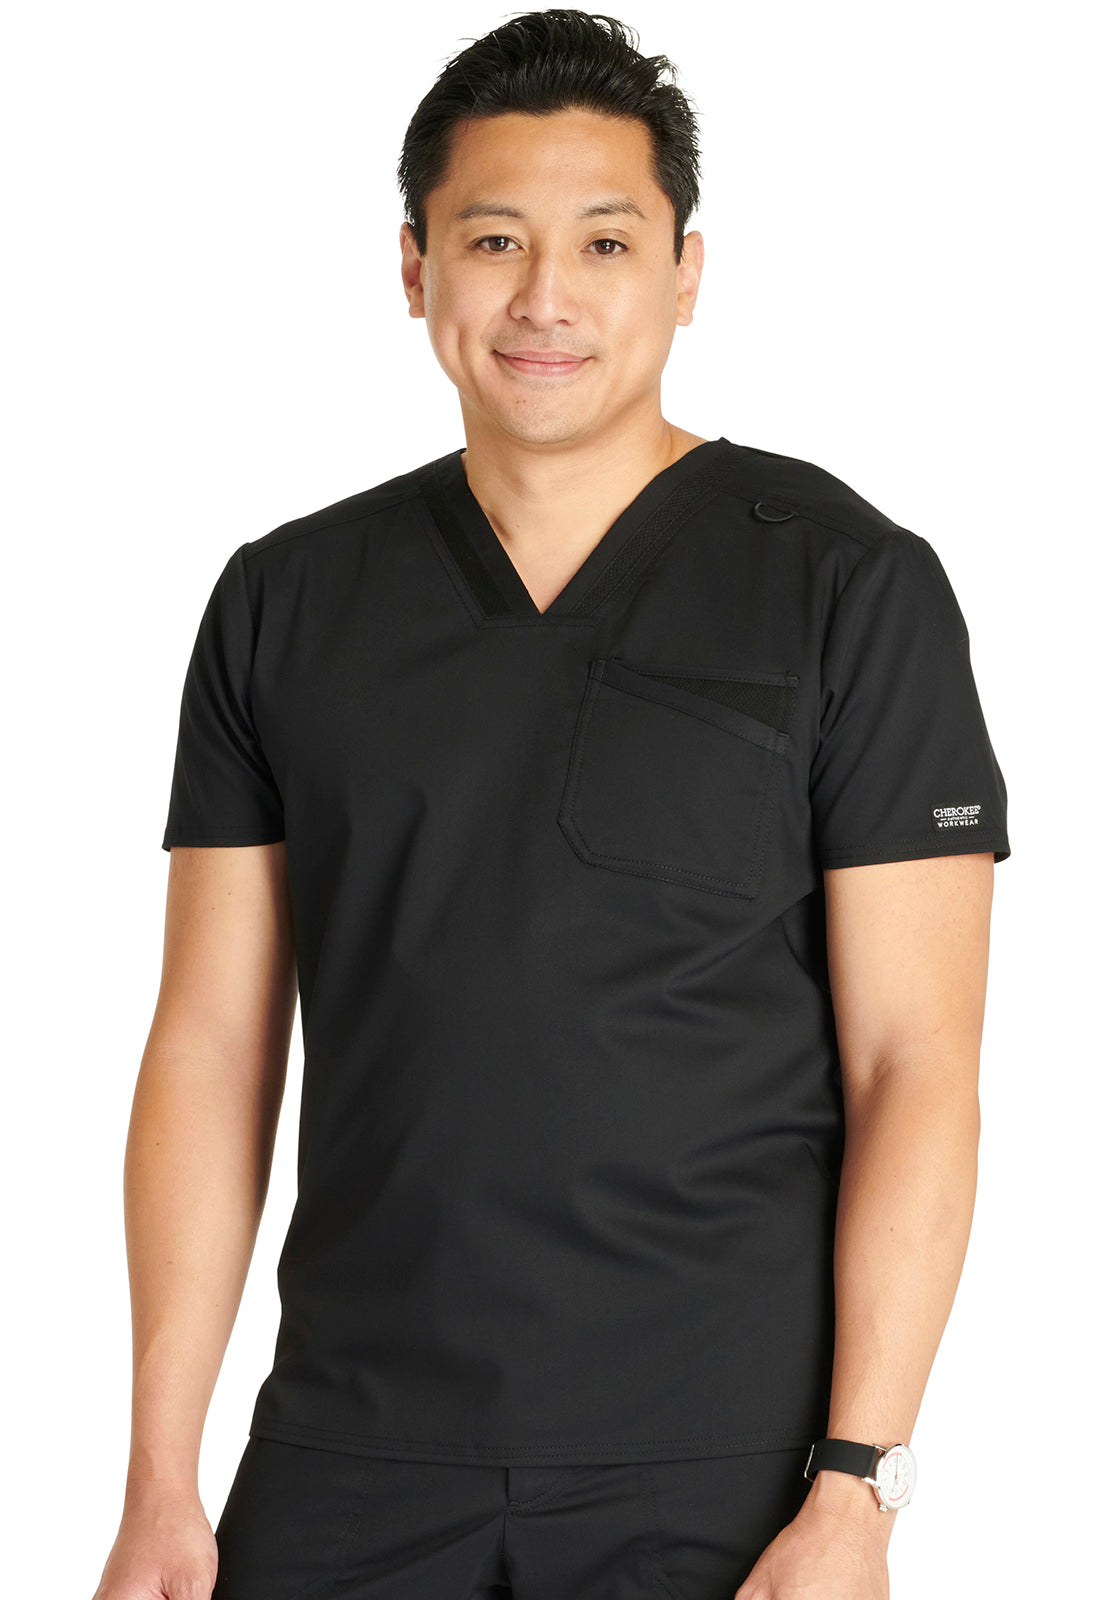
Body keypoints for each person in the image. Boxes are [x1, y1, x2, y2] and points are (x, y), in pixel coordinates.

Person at [92, 10, 1010, 1600]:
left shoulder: (850, 587)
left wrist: (856, 1490)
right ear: (415, 268)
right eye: (493, 239)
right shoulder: (283, 602)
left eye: (605, 242)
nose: (546, 298)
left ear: (686, 274)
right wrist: (160, 1480)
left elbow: (915, 1065)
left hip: (721, 1472)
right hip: (350, 1454)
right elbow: (212, 1046)